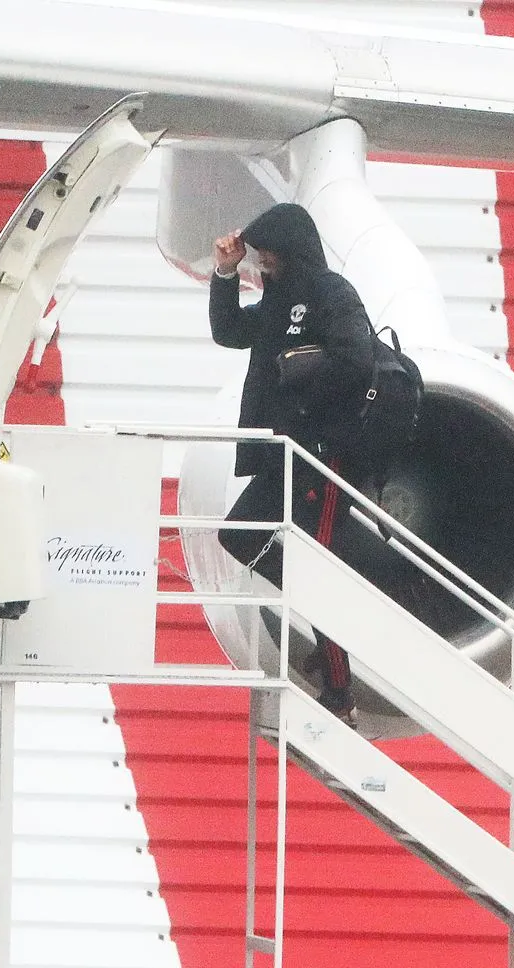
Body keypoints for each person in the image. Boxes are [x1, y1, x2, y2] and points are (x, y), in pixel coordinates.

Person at [210, 203, 374, 725]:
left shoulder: (333, 294)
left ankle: (341, 692)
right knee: (238, 534)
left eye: (267, 254)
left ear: (291, 250)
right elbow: (229, 331)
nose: (263, 263)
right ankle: (329, 629)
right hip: (282, 455)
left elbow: (357, 359)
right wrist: (225, 274)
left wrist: (298, 365)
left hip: (324, 458)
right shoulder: (277, 303)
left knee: (320, 565)